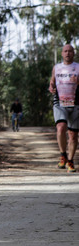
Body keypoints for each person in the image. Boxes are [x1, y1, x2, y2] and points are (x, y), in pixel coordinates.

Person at [49, 43, 79, 172]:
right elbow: (52, 82)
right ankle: (63, 155)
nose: (67, 53)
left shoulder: (78, 67)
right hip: (59, 102)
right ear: (62, 53)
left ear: (74, 53)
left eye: (70, 51)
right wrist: (51, 87)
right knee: (61, 128)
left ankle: (71, 161)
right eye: (65, 51)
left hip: (76, 103)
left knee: (73, 135)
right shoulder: (57, 68)